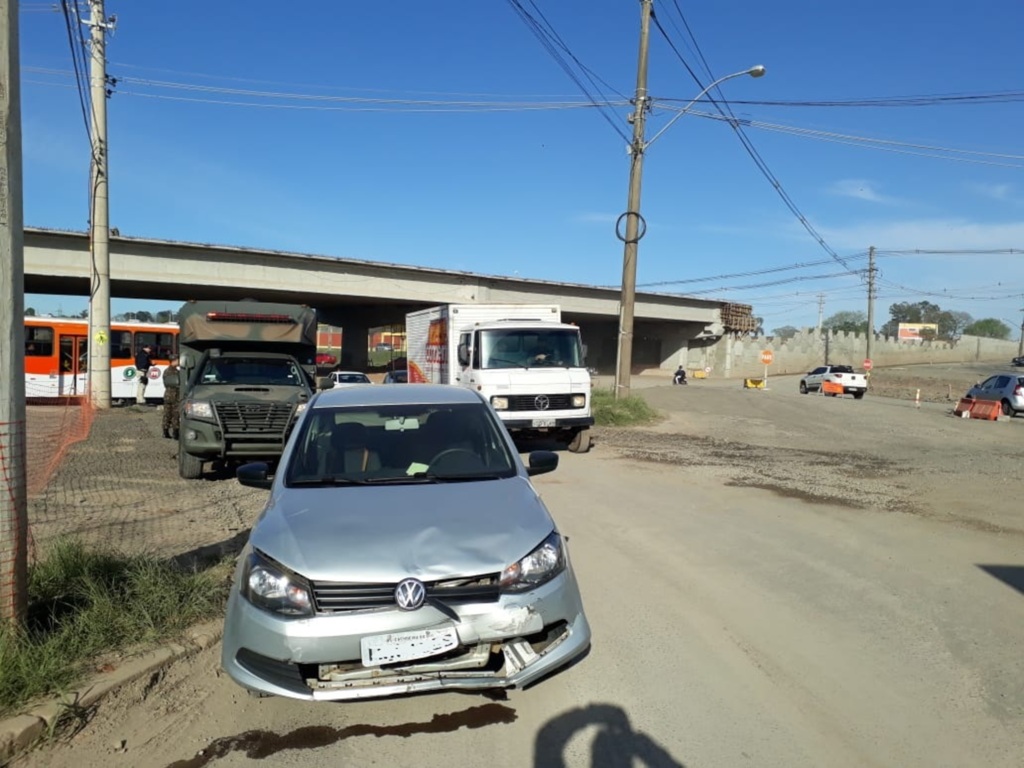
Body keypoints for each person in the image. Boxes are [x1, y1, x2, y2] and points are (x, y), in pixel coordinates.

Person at [162, 356, 182, 439]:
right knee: (175, 414)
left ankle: (165, 432)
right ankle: (175, 433)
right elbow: (178, 383)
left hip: (167, 395)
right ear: (174, 361)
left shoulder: (166, 371)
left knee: (167, 414)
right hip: (175, 395)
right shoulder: (176, 372)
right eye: (178, 360)